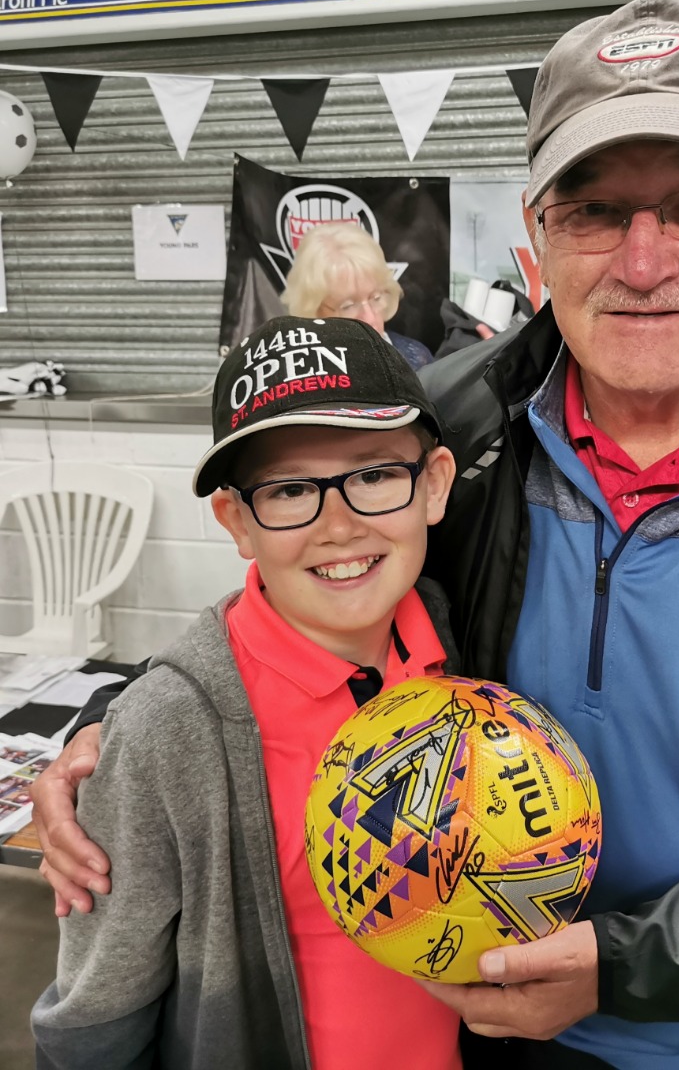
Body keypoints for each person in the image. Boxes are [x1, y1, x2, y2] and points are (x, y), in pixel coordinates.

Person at [31, 0, 679, 1069]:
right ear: (536, 235)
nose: (641, 260)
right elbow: (319, 590)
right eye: (594, 211)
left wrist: (629, 964)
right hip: (488, 1034)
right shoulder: (462, 425)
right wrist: (135, 721)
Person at [31, 315, 461, 1069]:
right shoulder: (171, 730)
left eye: (371, 475)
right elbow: (95, 1011)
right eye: (290, 489)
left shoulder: (453, 644)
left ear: (432, 486)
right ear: (236, 521)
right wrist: (118, 721)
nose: (339, 525)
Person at [281, 221, 435, 371]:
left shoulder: (415, 361)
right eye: (348, 306)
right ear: (314, 312)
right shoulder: (298, 376)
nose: (370, 319)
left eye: (376, 298)